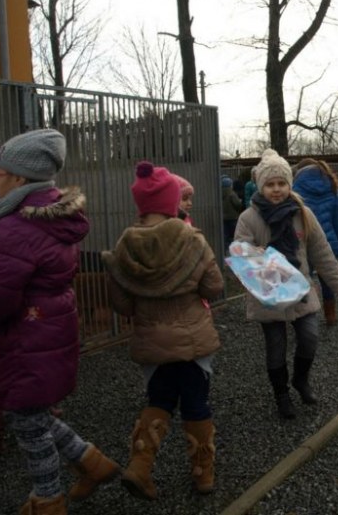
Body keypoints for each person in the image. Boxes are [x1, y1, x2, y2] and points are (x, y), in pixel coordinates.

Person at [0, 129, 118, 514]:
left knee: (28, 426)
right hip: (49, 326)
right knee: (29, 414)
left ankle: (48, 502)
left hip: (26, 334)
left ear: (19, 178)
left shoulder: (16, 227)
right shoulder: (54, 216)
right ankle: (90, 462)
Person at [102, 161, 224, 500]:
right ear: (173, 202)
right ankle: (203, 474)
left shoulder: (125, 245)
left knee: (159, 401)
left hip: (151, 345)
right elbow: (214, 287)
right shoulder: (192, 239)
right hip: (193, 342)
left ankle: (140, 468)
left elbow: (123, 306)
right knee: (196, 403)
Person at [234, 149, 338, 419]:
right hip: (268, 291)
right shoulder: (248, 218)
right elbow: (239, 251)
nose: (276, 190)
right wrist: (254, 254)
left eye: (281, 183)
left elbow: (321, 250)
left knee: (309, 336)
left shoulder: (303, 213)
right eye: (270, 184)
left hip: (299, 289)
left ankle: (300, 379)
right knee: (276, 347)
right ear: (261, 186)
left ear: (289, 184)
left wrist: (337, 280)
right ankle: (281, 395)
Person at [292, 158, 338, 325]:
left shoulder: (295, 190)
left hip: (304, 243)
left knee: (304, 278)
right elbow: (337, 219)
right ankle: (331, 314)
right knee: (327, 278)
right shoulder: (331, 186)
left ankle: (305, 316)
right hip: (329, 240)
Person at [221, 176, 242, 248]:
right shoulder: (232, 194)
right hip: (233, 217)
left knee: (225, 235)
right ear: (230, 185)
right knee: (236, 234)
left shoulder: (218, 194)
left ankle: (224, 250)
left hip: (223, 217)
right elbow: (237, 204)